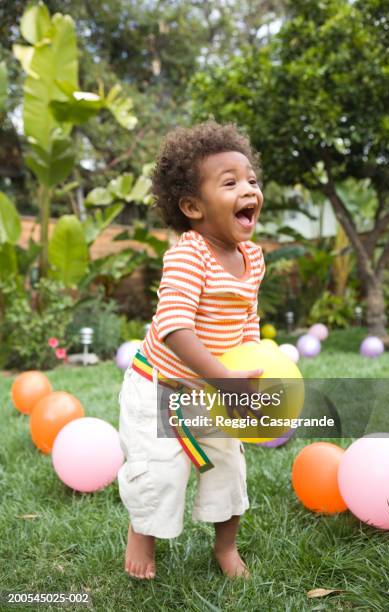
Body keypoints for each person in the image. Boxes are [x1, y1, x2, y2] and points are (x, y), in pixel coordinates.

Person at [118, 121, 265, 580]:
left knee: (228, 468)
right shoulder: (189, 254)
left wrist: (249, 368)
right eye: (231, 183)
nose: (248, 190)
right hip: (159, 388)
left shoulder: (253, 257)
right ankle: (143, 532)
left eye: (252, 180)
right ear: (192, 207)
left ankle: (225, 547)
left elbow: (247, 320)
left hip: (214, 389)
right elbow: (174, 328)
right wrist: (223, 378)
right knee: (160, 474)